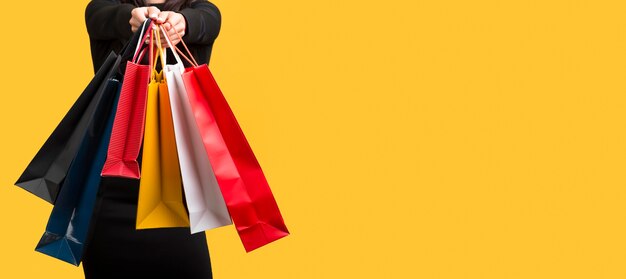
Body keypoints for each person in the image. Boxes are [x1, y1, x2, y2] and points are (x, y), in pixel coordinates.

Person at [82, 1, 221, 278]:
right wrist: (131, 22)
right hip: (110, 195)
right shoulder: (105, 9)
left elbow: (207, 21)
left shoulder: (201, 12)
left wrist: (184, 23)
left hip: (178, 196)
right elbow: (101, 17)